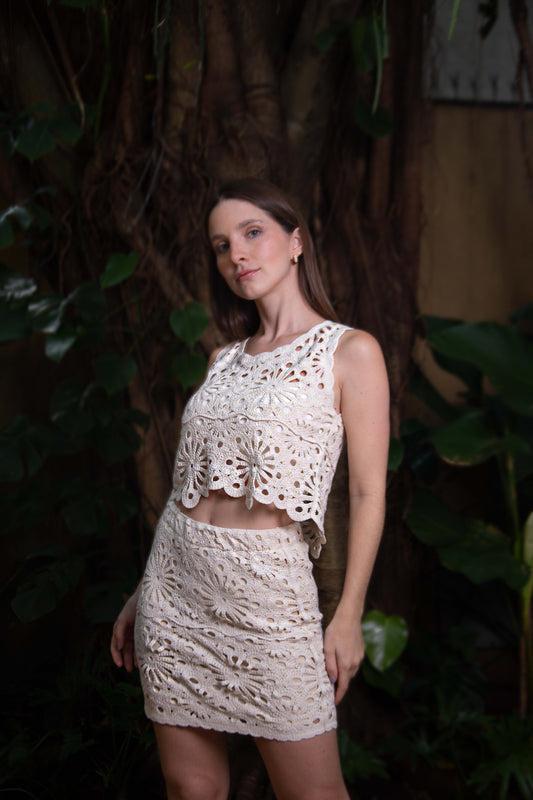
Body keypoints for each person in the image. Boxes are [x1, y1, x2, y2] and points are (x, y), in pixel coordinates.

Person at [111, 178, 390, 800]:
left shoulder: (351, 353)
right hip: (175, 594)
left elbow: (369, 494)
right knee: (192, 788)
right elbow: (187, 488)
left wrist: (349, 614)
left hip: (268, 600)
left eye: (252, 233)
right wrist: (141, 590)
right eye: (221, 245)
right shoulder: (223, 360)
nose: (235, 254)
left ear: (296, 242)